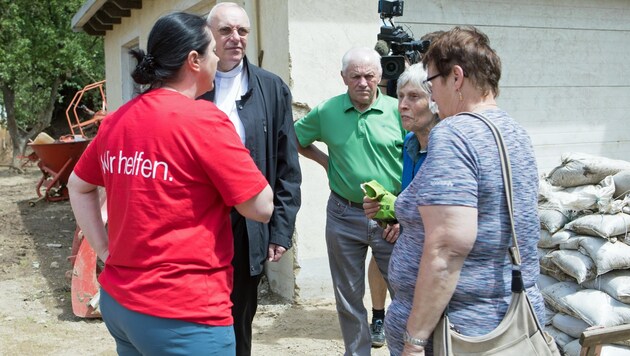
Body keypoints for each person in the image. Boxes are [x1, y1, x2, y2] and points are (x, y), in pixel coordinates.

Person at [67, 12, 275, 355]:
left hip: (123, 305)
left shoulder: (118, 119)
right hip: (184, 313)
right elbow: (261, 207)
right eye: (212, 51)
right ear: (194, 60)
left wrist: (105, 251)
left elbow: (78, 186)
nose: (218, 59)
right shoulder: (204, 121)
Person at [385, 26, 545, 355]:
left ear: (456, 78)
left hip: (459, 333)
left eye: (431, 83)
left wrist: (414, 340)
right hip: (505, 322)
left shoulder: (455, 133)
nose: (431, 97)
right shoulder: (514, 132)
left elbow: (447, 248)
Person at [199, 3, 302, 355]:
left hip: (247, 223)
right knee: (196, 313)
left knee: (240, 314)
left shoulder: (272, 89)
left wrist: (280, 228)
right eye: (226, 30)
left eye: (242, 31)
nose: (236, 38)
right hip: (196, 223)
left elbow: (287, 166)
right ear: (208, 35)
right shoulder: (192, 87)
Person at [294, 47, 406, 356]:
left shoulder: (399, 111)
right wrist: (327, 163)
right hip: (344, 214)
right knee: (348, 296)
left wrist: (401, 211)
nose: (363, 83)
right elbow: (296, 138)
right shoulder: (327, 112)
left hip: (391, 218)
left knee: (404, 291)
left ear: (380, 77)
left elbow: (416, 160)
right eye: (355, 76)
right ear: (343, 77)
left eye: (369, 76)